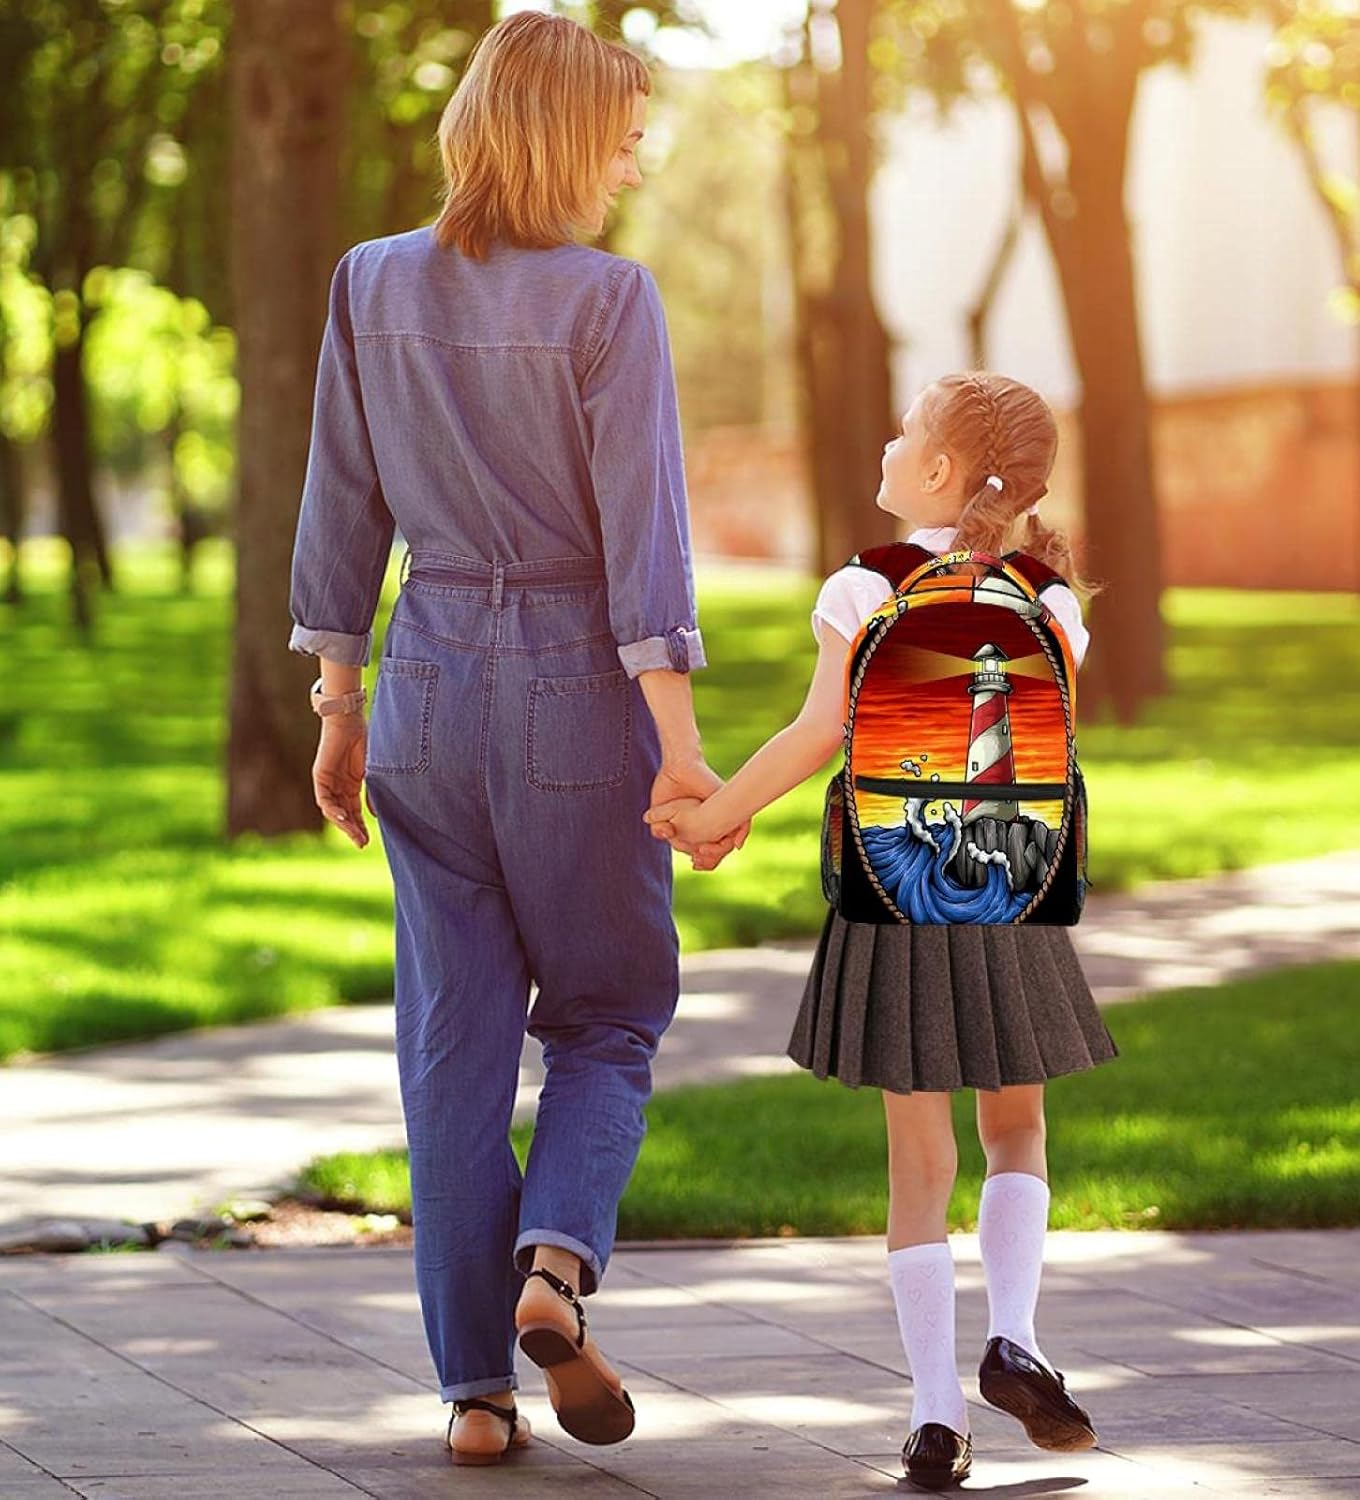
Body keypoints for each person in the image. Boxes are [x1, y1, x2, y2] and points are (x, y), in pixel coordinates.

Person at [286, 12, 748, 1467]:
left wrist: (339, 705)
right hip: (572, 687)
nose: (628, 160)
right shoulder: (610, 300)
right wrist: (680, 749)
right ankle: (556, 1268)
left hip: (423, 683)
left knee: (454, 1044)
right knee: (611, 1013)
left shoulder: (369, 284)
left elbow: (339, 509)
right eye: (617, 134)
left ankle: (474, 1394)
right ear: (557, 134)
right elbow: (644, 548)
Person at [645, 371, 1119, 1491]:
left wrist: (717, 815)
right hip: (1014, 891)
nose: (888, 442)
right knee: (1018, 1131)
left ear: (942, 471)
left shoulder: (866, 587)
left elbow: (820, 731)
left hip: (895, 892)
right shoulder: (1051, 597)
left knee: (920, 1163)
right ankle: (1018, 1335)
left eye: (905, 432)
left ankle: (935, 1416)